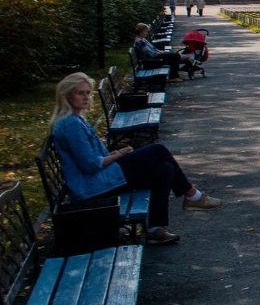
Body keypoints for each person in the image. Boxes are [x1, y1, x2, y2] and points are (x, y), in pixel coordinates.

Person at [50, 73, 221, 245]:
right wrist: (118, 155)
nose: (86, 97)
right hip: (92, 187)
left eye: (88, 93)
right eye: (80, 93)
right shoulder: (71, 125)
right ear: (67, 95)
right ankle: (192, 195)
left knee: (164, 169)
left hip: (99, 179)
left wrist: (118, 153)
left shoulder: (75, 120)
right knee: (158, 150)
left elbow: (95, 158)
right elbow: (91, 165)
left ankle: (155, 230)